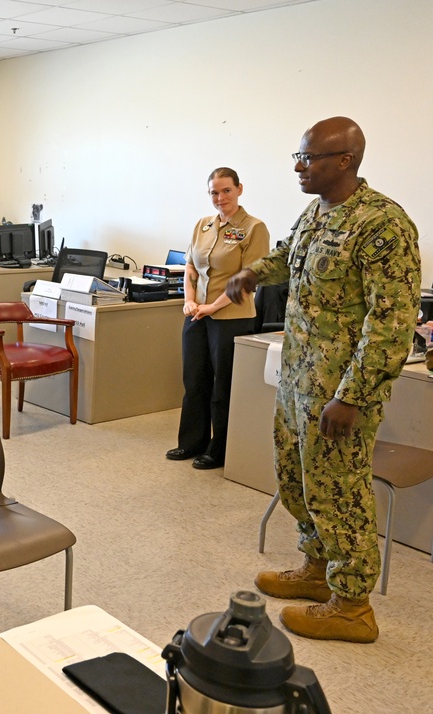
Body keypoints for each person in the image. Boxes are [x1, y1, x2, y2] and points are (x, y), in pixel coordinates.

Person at [225, 117, 421, 643]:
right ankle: (316, 570)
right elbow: (289, 255)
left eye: (308, 158)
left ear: (345, 162)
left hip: (339, 393)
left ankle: (353, 605)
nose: (298, 166)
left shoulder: (383, 225)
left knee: (339, 491)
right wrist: (253, 273)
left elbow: (391, 324)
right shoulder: (318, 210)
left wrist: (353, 397)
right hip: (297, 379)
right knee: (297, 479)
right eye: (299, 154)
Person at [166, 168, 269, 470]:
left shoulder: (254, 228)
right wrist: (189, 301)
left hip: (231, 317)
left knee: (222, 384)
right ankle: (191, 442)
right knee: (194, 380)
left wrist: (212, 306)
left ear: (239, 189)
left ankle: (219, 449)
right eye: (214, 192)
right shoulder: (203, 225)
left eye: (226, 190)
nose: (220, 197)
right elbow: (190, 268)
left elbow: (249, 279)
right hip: (197, 315)